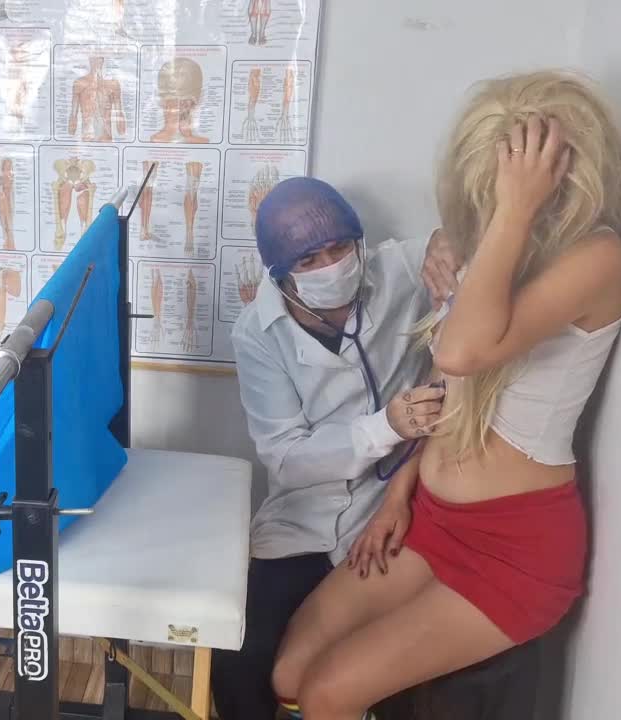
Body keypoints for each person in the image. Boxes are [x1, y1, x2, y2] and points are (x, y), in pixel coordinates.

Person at [271, 70, 621, 719]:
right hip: (432, 517)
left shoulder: (597, 256)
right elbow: (451, 389)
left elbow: (461, 351)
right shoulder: (500, 247)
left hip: (514, 551)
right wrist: (400, 495)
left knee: (328, 694)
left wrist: (511, 213)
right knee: (291, 674)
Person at [212, 175, 451, 720]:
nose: (331, 265)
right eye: (309, 259)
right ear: (281, 274)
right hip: (304, 519)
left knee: (372, 665)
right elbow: (286, 457)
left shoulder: (397, 270)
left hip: (394, 508)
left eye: (341, 247)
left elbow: (462, 243)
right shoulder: (258, 333)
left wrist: (447, 240)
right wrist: (386, 426)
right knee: (241, 660)